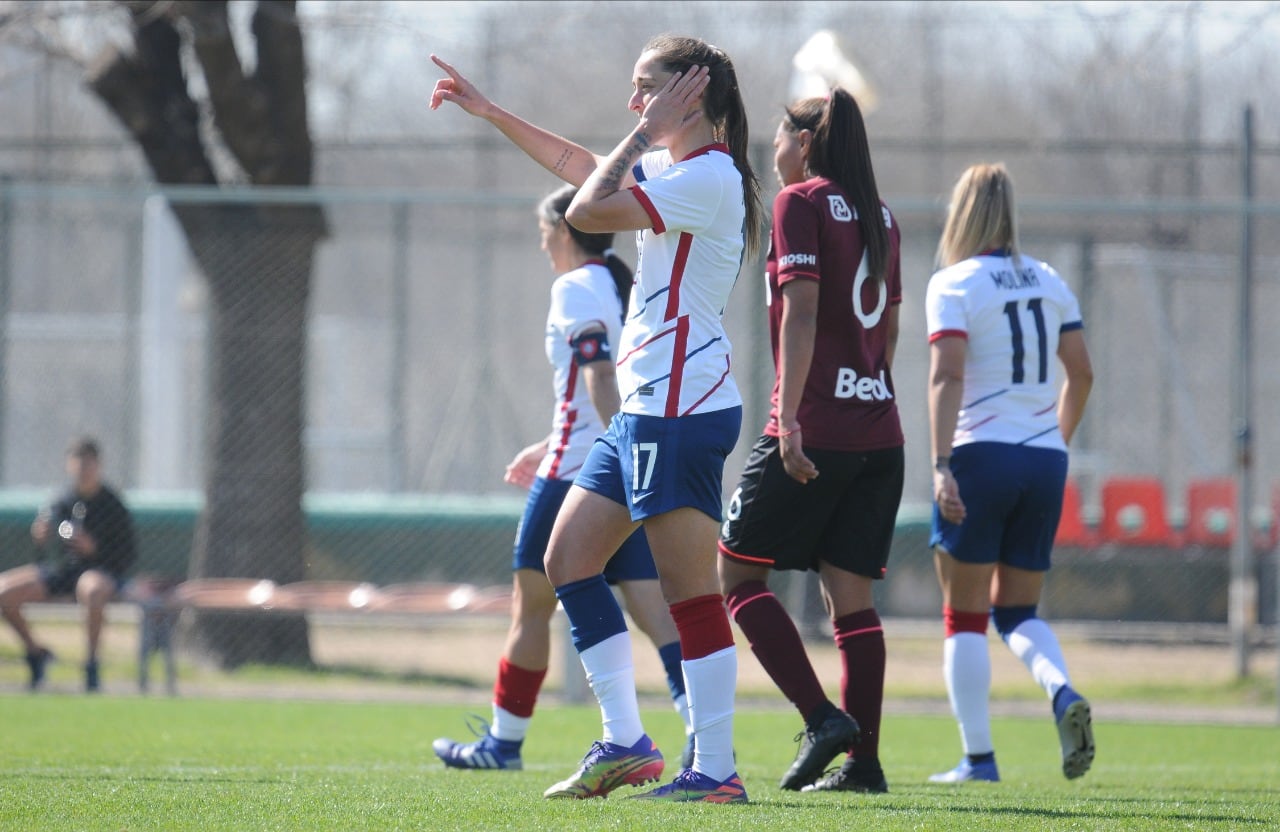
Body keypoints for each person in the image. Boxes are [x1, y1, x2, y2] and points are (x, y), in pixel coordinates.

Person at [431, 33, 761, 803]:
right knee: (567, 558)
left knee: (690, 598)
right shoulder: (681, 170)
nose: (632, 101)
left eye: (645, 86)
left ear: (692, 92)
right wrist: (489, 112)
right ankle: (626, 742)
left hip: (680, 407)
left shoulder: (707, 176)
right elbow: (580, 168)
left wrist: (645, 133)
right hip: (648, 408)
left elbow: (586, 206)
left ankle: (715, 771)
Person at [432, 184, 695, 772]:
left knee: (531, 609)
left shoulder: (575, 286)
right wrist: (568, 445)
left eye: (545, 231)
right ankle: (701, 735)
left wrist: (616, 456)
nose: (543, 242)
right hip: (612, 464)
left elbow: (601, 377)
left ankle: (504, 744)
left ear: (567, 229)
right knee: (656, 613)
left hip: (582, 474)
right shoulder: (617, 283)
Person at [717, 89, 903, 795]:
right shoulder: (883, 215)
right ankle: (865, 765)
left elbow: (800, 310)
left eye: (779, 134)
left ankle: (823, 718)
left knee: (736, 578)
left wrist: (789, 418)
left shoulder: (800, 201)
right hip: (879, 430)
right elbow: (888, 327)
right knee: (851, 602)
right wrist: (867, 387)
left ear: (805, 141)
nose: (773, 145)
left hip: (815, 426)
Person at [925, 162, 1096, 783]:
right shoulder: (1050, 279)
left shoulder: (955, 282)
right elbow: (1082, 373)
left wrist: (941, 464)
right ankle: (1061, 691)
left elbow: (946, 376)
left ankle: (978, 759)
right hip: (1044, 457)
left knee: (964, 615)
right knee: (1018, 612)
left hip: (981, 454)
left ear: (961, 213)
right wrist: (1054, 439)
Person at [0, 437, 136, 692]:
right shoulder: (62, 500)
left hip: (101, 571)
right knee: (4, 591)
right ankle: (36, 653)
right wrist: (41, 537)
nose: (84, 470)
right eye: (78, 464)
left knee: (91, 588)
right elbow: (50, 549)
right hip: (64, 571)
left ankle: (91, 663)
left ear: (98, 466)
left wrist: (94, 549)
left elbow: (127, 554)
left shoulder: (112, 504)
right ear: (69, 466)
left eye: (89, 464)